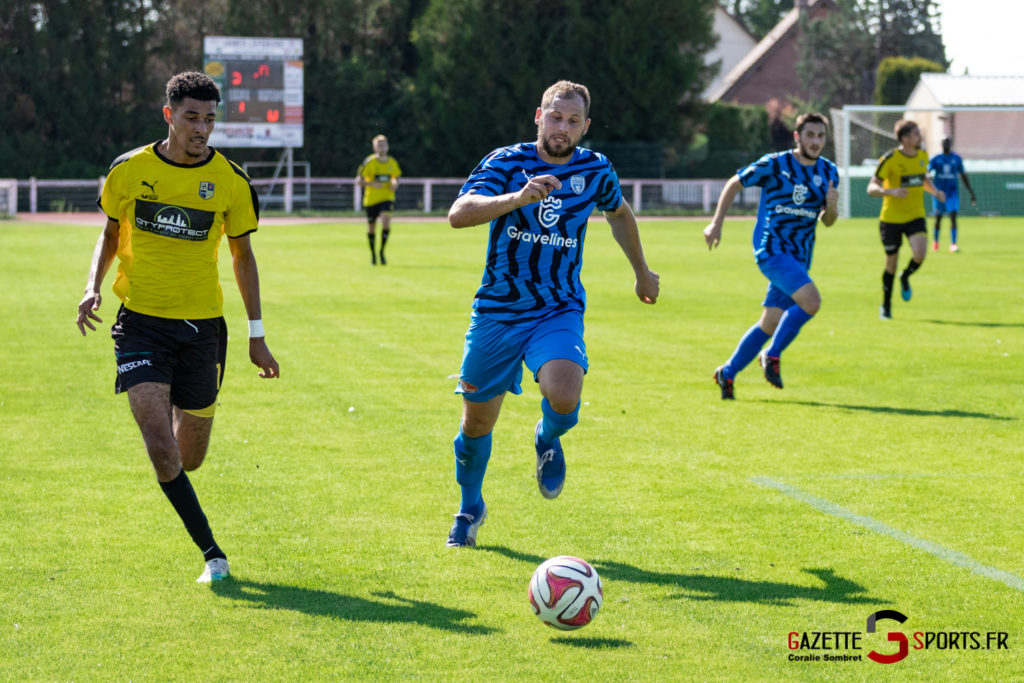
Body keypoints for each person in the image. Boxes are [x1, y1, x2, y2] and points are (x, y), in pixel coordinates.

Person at [75, 71, 280, 583]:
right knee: (160, 446)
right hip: (140, 323)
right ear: (169, 115)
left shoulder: (231, 182)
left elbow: (243, 256)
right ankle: (213, 554)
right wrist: (91, 285)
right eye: (191, 117)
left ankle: (166, 407)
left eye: (209, 119)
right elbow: (108, 232)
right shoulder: (129, 170)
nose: (201, 129)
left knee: (189, 459)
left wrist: (257, 333)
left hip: (202, 329)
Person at [444, 80, 660, 547]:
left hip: (557, 308)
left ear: (585, 126)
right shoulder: (506, 162)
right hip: (498, 310)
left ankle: (547, 437)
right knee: (477, 423)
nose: (563, 127)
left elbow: (618, 214)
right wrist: (517, 199)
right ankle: (470, 507)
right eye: (555, 117)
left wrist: (642, 272)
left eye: (573, 120)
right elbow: (459, 213)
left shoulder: (596, 169)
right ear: (538, 116)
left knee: (564, 392)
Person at [704, 112, 839, 399]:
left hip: (799, 257)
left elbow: (827, 221)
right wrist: (717, 223)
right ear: (797, 137)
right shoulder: (775, 164)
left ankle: (726, 373)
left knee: (770, 322)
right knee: (812, 301)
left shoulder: (829, 172)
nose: (816, 141)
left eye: (821, 136)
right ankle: (772, 355)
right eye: (810, 135)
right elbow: (735, 182)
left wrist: (832, 207)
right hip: (772, 250)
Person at [867, 120, 945, 320]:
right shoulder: (890, 158)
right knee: (890, 264)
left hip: (915, 216)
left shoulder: (922, 156)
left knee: (920, 254)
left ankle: (906, 275)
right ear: (905, 138)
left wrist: (935, 192)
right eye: (916, 134)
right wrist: (890, 191)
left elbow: (923, 180)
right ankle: (886, 306)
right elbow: (871, 187)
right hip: (891, 219)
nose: (920, 137)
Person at [356, 135, 402, 265]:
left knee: (386, 222)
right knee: (371, 228)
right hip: (371, 199)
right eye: (379, 145)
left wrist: (394, 183)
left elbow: (396, 177)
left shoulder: (392, 162)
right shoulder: (369, 162)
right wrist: (371, 184)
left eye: (384, 145)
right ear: (374, 147)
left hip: (387, 197)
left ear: (387, 146)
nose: (382, 147)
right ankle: (373, 255)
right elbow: (358, 181)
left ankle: (382, 252)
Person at [929, 137, 976, 253]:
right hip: (939, 193)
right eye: (944, 142)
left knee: (953, 217)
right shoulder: (936, 158)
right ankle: (935, 242)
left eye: (948, 142)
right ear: (941, 144)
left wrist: (971, 191)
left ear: (951, 144)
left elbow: (963, 175)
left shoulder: (957, 159)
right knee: (938, 218)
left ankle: (953, 244)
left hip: (952, 193)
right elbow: (927, 173)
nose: (946, 144)